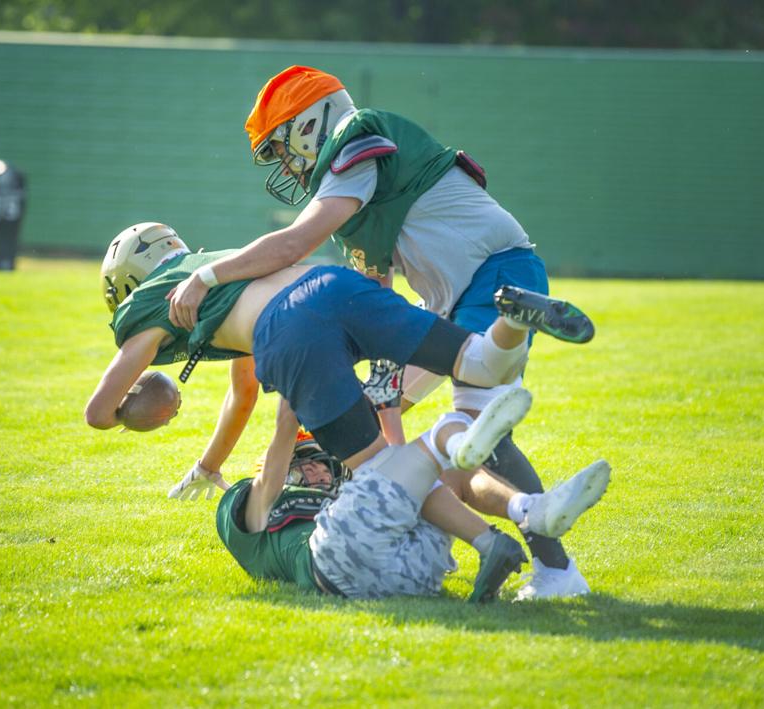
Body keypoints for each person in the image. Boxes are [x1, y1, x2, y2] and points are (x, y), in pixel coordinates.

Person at [166, 65, 595, 598]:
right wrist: (384, 377)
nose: (284, 162)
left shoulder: (356, 137)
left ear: (310, 124)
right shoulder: (358, 181)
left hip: (491, 274)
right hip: (453, 298)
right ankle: (537, 539)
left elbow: (293, 244)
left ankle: (552, 565)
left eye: (281, 146)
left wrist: (207, 275)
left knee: (480, 425)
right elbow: (375, 294)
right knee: (428, 420)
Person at [86, 223, 605, 597]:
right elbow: (242, 392)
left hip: (289, 330)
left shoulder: (150, 306)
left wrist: (133, 410)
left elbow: (97, 411)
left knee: (387, 467)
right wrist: (208, 465)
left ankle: (463, 462)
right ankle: (513, 319)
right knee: (482, 363)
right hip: (335, 284)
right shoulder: (216, 271)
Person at [218, 420, 611, 600]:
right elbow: (269, 479)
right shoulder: (255, 511)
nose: (315, 469)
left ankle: (522, 511)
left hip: (411, 579)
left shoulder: (349, 495)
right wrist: (290, 402)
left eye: (319, 462)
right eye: (301, 465)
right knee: (444, 434)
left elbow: (397, 461)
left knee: (444, 473)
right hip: (333, 559)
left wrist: (388, 408)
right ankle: (519, 515)